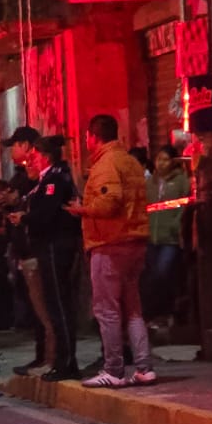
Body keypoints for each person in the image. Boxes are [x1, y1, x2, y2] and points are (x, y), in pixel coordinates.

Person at [69, 114, 155, 387]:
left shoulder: (106, 164)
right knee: (133, 309)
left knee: (107, 310)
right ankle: (144, 367)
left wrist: (82, 210)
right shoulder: (130, 161)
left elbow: (110, 201)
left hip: (110, 244)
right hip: (134, 241)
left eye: (87, 136)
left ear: (93, 137)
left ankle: (114, 370)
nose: (86, 141)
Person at [21, 134, 83, 380]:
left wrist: (25, 218)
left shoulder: (55, 179)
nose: (31, 161)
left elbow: (46, 214)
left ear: (45, 156)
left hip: (55, 247)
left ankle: (66, 362)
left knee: (59, 304)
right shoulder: (47, 179)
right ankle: (61, 359)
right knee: (55, 304)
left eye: (34, 156)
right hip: (49, 247)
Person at [144, 147, 190, 322]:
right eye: (158, 159)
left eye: (165, 159)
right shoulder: (150, 183)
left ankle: (168, 310)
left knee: (163, 272)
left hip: (171, 237)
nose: (161, 163)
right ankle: (159, 312)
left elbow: (185, 204)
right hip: (152, 236)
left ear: (173, 161)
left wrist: (176, 223)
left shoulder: (181, 181)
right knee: (154, 275)